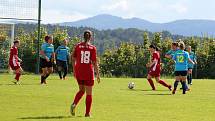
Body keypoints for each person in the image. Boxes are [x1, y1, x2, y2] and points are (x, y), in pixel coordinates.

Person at [70, 30, 100, 117]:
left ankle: (74, 104)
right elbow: (94, 62)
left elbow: (73, 58)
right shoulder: (92, 48)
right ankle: (87, 113)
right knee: (89, 93)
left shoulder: (78, 46)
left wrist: (74, 70)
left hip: (79, 71)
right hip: (88, 73)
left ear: (83, 36)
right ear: (90, 37)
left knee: (82, 90)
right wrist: (98, 74)